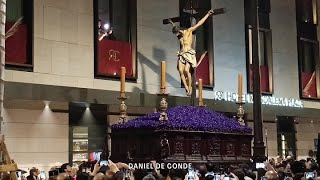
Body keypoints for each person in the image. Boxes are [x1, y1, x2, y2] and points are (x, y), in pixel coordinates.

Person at [168, 9, 214, 96]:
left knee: (186, 70)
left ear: (179, 30)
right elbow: (174, 27)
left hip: (189, 54)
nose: (177, 35)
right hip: (182, 54)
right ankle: (186, 88)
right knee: (181, 71)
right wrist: (171, 23)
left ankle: (190, 87)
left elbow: (199, 24)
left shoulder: (188, 31)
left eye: (177, 33)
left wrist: (207, 14)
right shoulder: (180, 36)